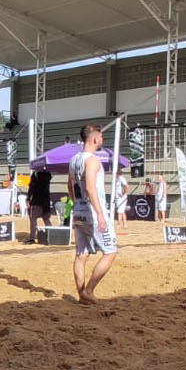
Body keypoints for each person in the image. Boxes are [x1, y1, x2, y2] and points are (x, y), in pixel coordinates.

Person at [67, 124, 117, 304]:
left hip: (79, 211)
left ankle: (82, 295)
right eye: (101, 137)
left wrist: (77, 204)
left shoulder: (74, 160)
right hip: (93, 212)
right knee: (110, 252)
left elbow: (70, 186)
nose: (102, 140)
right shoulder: (93, 160)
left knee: (81, 255)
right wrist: (100, 214)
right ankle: (88, 291)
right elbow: (89, 187)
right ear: (95, 139)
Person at [26, 167, 53, 243]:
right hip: (46, 200)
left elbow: (31, 187)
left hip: (36, 200)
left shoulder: (35, 174)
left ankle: (32, 238)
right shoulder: (48, 174)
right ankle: (51, 235)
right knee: (46, 219)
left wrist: (28, 198)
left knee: (33, 219)